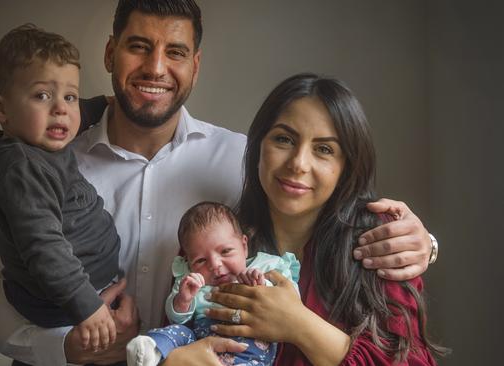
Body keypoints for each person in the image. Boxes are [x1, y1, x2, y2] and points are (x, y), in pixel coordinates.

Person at [0, 2, 437, 365]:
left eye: (174, 52)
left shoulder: (241, 163)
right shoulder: (52, 160)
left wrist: (426, 243)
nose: (156, 68)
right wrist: (67, 349)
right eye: (138, 46)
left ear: (195, 65)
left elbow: (320, 215)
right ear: (111, 52)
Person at [163, 73, 448, 365]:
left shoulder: (380, 241)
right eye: (284, 139)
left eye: (324, 149)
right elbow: (173, 333)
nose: (299, 163)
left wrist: (298, 325)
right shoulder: (213, 242)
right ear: (258, 144)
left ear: (346, 166)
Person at [0, 24, 121, 352]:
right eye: (42, 95)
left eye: (69, 96)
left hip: (86, 292)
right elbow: (44, 248)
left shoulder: (40, 136)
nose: (61, 108)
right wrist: (86, 305)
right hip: (65, 305)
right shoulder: (22, 166)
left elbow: (73, 113)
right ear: (1, 108)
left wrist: (103, 102)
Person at [126, 202, 300, 366]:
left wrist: (263, 287)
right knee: (177, 332)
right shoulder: (193, 281)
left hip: (251, 342)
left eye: (225, 251)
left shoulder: (266, 266)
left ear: (244, 245)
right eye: (201, 260)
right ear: (189, 263)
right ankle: (149, 350)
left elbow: (293, 302)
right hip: (200, 340)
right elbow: (178, 318)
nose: (215, 265)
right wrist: (183, 300)